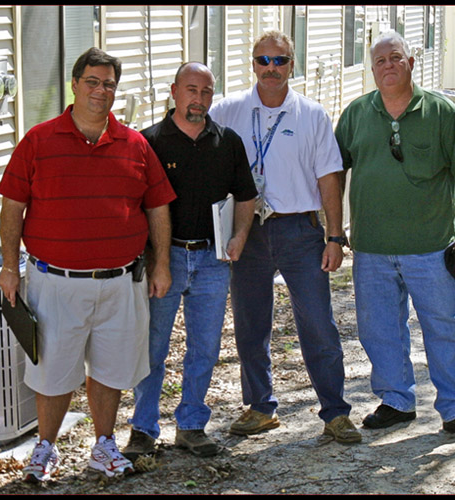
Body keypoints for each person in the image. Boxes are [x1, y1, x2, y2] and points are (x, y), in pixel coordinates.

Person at [0, 47, 176, 483]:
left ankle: (103, 446)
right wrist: (7, 267)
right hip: (54, 281)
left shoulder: (135, 145)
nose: (101, 91)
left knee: (111, 368)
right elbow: (12, 206)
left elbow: (157, 208)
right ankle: (45, 449)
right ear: (75, 84)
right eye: (93, 82)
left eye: (109, 84)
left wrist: (162, 264)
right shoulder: (38, 140)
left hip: (120, 282)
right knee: (52, 371)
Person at [334, 31, 455, 439]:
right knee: (379, 329)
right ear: (372, 69)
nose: (388, 65)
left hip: (431, 247)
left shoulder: (441, 112)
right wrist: (333, 230)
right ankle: (396, 401)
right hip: (371, 249)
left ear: (411, 63)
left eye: (396, 58)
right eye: (380, 60)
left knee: (443, 327)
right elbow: (333, 171)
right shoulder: (355, 114)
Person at [209, 31, 361, 444]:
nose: (271, 68)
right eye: (263, 60)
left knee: (317, 323)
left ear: (292, 65)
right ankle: (260, 406)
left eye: (280, 60)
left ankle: (335, 411)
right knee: (250, 323)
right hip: (248, 231)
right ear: (252, 64)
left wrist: (334, 235)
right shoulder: (229, 110)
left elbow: (329, 177)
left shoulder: (311, 114)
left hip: (300, 230)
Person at [123, 62, 257, 459]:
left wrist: (240, 235)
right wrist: (151, 259)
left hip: (213, 260)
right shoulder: (149, 142)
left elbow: (246, 196)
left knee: (204, 346)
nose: (198, 99)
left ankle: (192, 424)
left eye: (206, 92)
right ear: (174, 91)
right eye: (191, 90)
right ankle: (143, 429)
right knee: (153, 347)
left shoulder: (228, 142)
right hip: (164, 260)